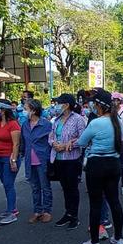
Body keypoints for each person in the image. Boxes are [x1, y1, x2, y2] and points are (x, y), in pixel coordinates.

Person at [76, 88, 123, 244]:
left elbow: (82, 142)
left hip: (96, 164)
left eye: (94, 103)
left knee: (95, 203)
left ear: (99, 105)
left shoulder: (96, 123)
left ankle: (94, 242)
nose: (92, 105)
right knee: (114, 201)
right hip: (113, 163)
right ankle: (118, 238)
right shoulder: (117, 121)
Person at [48, 93, 87, 230]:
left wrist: (66, 146)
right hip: (58, 158)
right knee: (64, 187)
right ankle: (67, 213)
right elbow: (51, 135)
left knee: (72, 188)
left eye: (59, 103)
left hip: (71, 158)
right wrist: (54, 144)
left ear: (66, 105)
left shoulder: (78, 119)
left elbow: (83, 138)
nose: (56, 106)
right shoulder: (57, 120)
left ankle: (74, 216)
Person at [19, 99, 53, 224]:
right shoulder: (25, 125)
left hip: (43, 160)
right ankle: (37, 211)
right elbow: (23, 142)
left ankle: (47, 211)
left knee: (45, 187)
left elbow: (51, 143)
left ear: (33, 110)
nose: (23, 111)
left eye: (25, 109)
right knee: (34, 187)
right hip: (29, 160)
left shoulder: (46, 125)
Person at [0, 103, 21, 225]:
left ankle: (12, 211)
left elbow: (16, 144)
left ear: (3, 110)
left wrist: (13, 159)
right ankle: (11, 208)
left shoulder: (13, 124)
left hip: (8, 158)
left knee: (8, 183)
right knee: (6, 183)